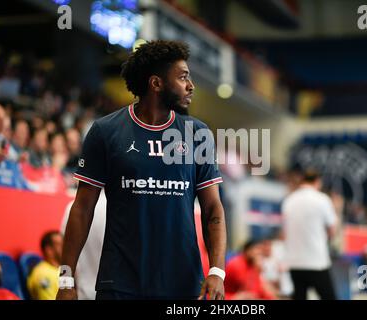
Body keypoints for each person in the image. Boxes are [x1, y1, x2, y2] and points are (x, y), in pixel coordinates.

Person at [57, 40, 226, 300]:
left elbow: (213, 208)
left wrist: (216, 270)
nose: (190, 85)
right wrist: (67, 280)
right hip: (120, 283)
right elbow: (81, 209)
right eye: (182, 77)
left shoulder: (198, 133)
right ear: (156, 83)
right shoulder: (105, 131)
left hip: (182, 283)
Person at [282, 169, 338, 300]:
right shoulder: (323, 200)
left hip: (295, 262)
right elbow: (332, 231)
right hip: (316, 261)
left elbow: (285, 232)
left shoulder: (289, 201)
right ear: (317, 182)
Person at [27, 231, 63, 300]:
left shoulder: (62, 269)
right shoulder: (43, 274)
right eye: (60, 244)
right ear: (49, 250)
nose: (65, 247)